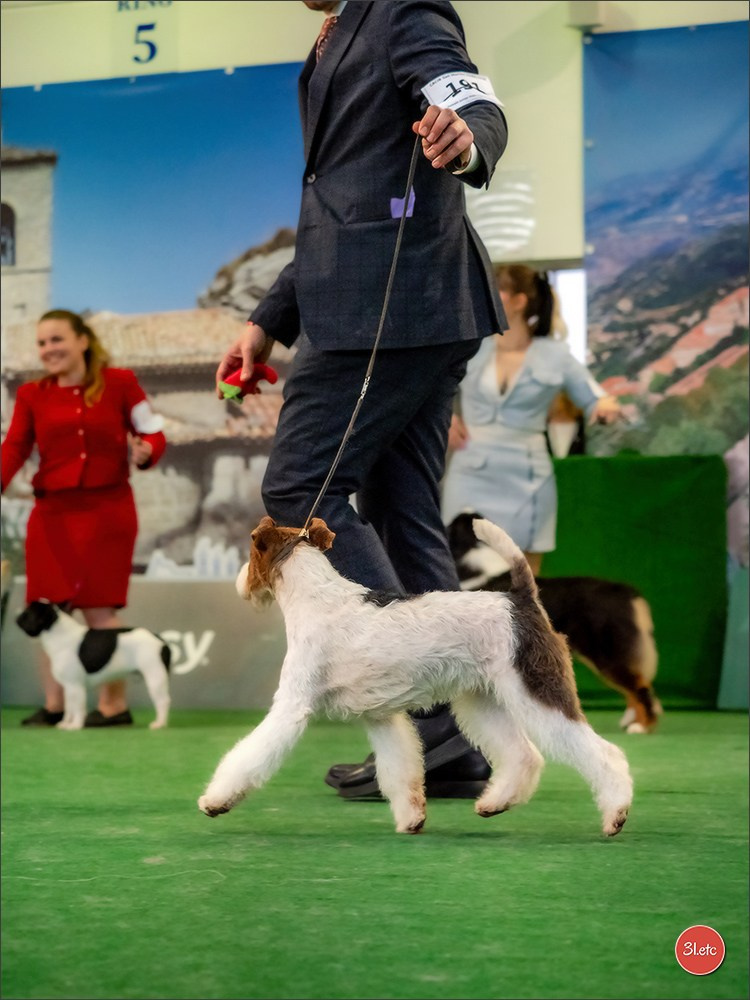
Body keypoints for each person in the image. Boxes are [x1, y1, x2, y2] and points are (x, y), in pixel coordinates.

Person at [215, 0, 508, 798]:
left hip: (389, 309)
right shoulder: (337, 29)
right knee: (400, 506)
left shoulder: (403, 7)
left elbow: (469, 100)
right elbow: (336, 197)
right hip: (410, 306)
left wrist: (469, 138)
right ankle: (452, 734)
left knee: (298, 492)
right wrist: (269, 318)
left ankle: (426, 708)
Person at [1, 310, 166, 727]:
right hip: (51, 517)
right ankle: (56, 705)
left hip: (108, 513)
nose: (48, 350)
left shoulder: (121, 383)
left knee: (99, 611)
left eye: (57, 339)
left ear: (82, 341)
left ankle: (113, 708)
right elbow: (15, 447)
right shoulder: (31, 395)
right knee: (48, 616)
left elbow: (153, 431)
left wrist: (149, 450)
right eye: (41, 343)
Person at [442, 264, 623, 576]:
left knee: (525, 584)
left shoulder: (556, 355)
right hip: (469, 474)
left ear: (518, 300)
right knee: (452, 572)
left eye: (496, 288)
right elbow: (431, 389)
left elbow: (594, 397)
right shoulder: (470, 348)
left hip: (526, 481)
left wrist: (605, 405)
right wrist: (444, 417)